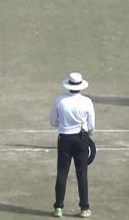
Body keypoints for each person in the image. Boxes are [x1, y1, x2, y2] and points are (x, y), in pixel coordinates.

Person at [49, 72, 96, 218]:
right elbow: (91, 125)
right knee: (82, 173)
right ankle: (84, 208)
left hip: (64, 140)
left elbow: (53, 121)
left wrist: (63, 124)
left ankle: (58, 208)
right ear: (80, 87)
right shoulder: (87, 101)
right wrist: (87, 137)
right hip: (81, 140)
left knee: (62, 173)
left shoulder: (60, 100)